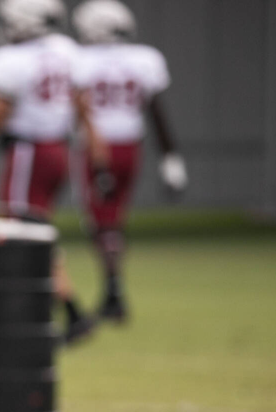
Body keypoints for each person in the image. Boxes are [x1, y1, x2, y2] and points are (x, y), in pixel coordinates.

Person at [0, 0, 103, 344]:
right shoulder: (66, 49)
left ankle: (61, 311)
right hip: (59, 149)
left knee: (22, 230)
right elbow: (81, 104)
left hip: (29, 150)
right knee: (37, 227)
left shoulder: (10, 60)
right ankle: (48, 309)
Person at [71, 0, 185, 323]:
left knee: (101, 221)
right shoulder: (144, 59)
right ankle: (113, 290)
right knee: (114, 219)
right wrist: (171, 157)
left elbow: (76, 108)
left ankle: (113, 292)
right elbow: (156, 111)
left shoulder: (80, 60)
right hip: (132, 147)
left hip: (96, 148)